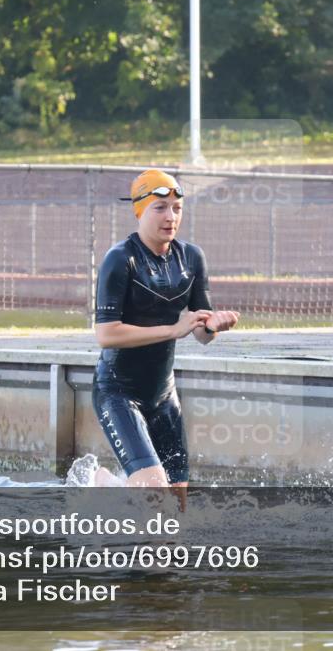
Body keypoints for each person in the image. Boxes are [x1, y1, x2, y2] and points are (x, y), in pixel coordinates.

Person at [91, 169, 240, 504]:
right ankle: (105, 485)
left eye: (177, 207)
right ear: (139, 210)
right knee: (155, 498)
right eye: (160, 207)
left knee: (176, 511)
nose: (170, 217)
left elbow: (201, 333)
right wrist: (174, 330)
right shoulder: (121, 259)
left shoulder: (191, 258)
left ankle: (112, 487)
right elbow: (106, 334)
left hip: (162, 396)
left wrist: (212, 326)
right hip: (118, 393)